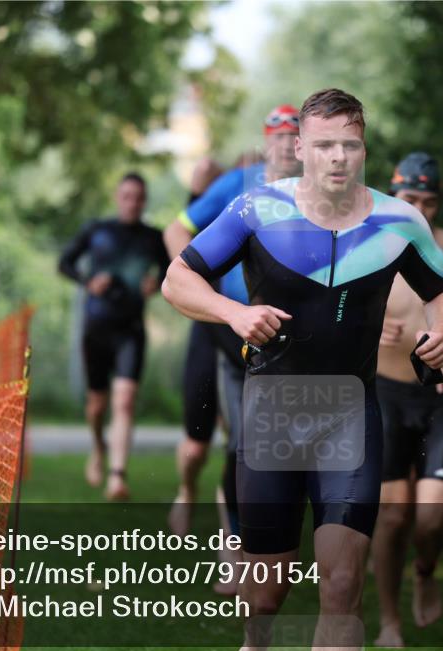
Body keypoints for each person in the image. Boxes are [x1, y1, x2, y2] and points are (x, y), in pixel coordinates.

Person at [162, 89, 443, 651]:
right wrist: (235, 312)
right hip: (272, 413)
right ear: (300, 147)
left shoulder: (399, 222)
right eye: (324, 145)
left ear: (364, 150)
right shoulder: (256, 210)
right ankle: (254, 647)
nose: (338, 158)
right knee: (268, 587)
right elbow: (178, 279)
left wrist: (441, 331)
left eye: (350, 145)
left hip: (349, 413)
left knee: (342, 581)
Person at [165, 105, 302, 557]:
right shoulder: (238, 184)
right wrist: (197, 286)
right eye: (277, 135)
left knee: (248, 438)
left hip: (276, 330)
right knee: (197, 442)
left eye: (293, 134)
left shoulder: (314, 191)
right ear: (266, 141)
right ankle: (188, 491)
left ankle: (236, 544)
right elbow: (176, 229)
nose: (285, 143)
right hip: (222, 326)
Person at [370, 152, 443, 647]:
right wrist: (370, 328)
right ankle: (389, 622)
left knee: (431, 519)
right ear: (392, 196)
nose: (420, 209)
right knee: (392, 516)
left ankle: (427, 568)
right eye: (410, 199)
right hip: (385, 393)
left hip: (439, 395)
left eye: (429, 201)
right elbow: (331, 315)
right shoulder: (364, 247)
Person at [59, 172, 169, 501]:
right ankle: (97, 447)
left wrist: (157, 284)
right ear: (117, 197)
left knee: (124, 401)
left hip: (131, 330)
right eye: (127, 196)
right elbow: (64, 263)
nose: (132, 202)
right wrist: (88, 281)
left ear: (144, 200)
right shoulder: (97, 230)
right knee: (96, 406)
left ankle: (117, 476)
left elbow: (172, 272)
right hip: (97, 328)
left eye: (138, 197)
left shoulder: (154, 237)